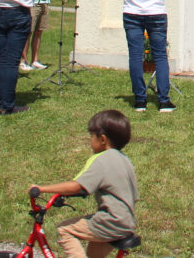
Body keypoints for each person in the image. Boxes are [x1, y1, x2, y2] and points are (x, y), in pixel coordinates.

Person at [31, 109, 138, 258]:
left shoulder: (102, 160)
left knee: (64, 229)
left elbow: (76, 186)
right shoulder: (125, 160)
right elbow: (133, 196)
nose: (90, 141)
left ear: (102, 139)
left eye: (91, 136)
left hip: (110, 222)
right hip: (127, 223)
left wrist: (42, 188)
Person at [21, 0, 50, 72]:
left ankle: (35, 60)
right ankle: (23, 61)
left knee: (39, 31)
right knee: (28, 32)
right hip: (33, 2)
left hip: (44, 2)